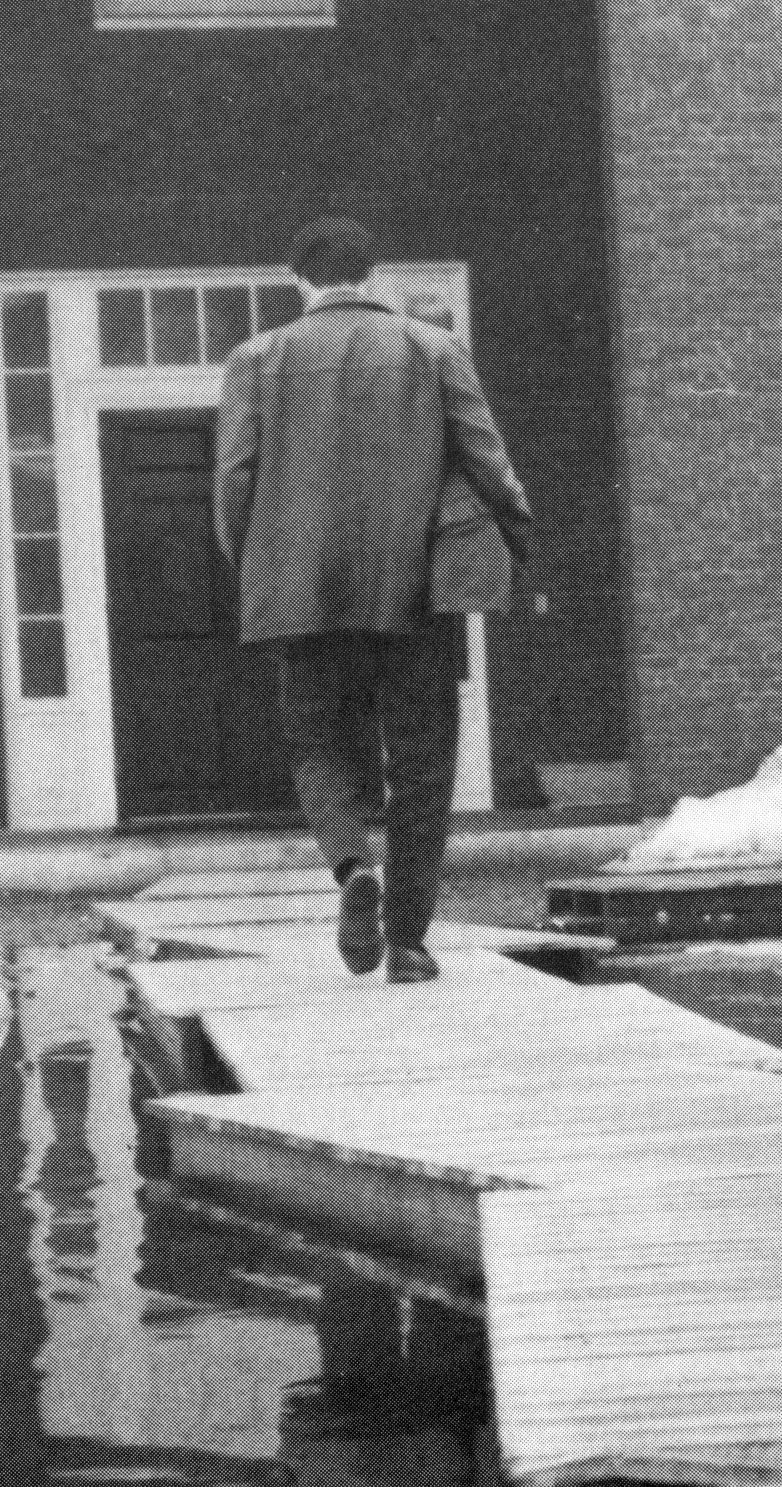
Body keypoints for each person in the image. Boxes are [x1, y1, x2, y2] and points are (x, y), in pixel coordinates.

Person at [215, 216, 533, 983]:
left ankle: (352, 863)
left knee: (316, 743)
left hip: (301, 593)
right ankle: (408, 943)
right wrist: (517, 538)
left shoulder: (256, 359)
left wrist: (258, 567)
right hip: (414, 587)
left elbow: (233, 481)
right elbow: (487, 460)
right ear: (371, 274)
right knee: (422, 762)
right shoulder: (433, 348)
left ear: (298, 279)